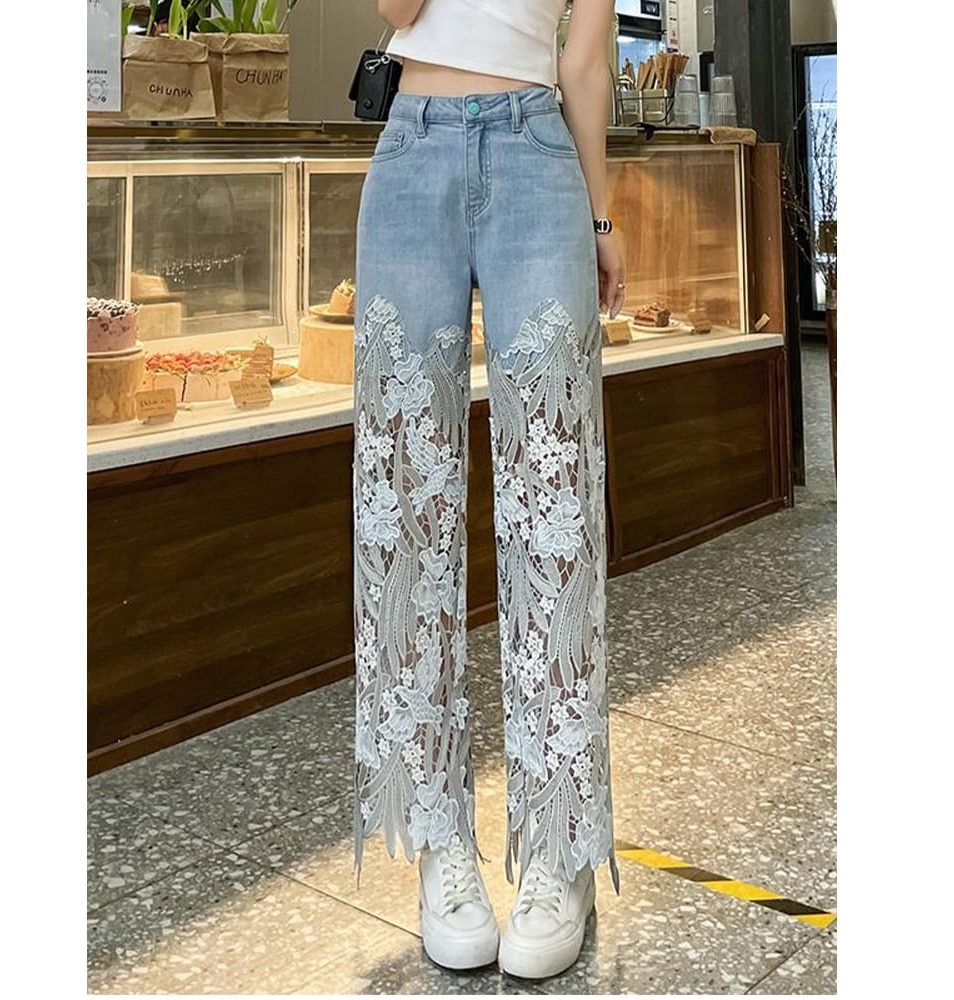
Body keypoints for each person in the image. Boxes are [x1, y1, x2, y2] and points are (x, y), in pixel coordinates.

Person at [352, 0, 625, 979]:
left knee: (555, 504)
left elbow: (585, 60)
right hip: (411, 150)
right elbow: (396, 8)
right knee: (405, 507)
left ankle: (559, 845)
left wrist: (600, 215)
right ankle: (438, 843)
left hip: (537, 156)